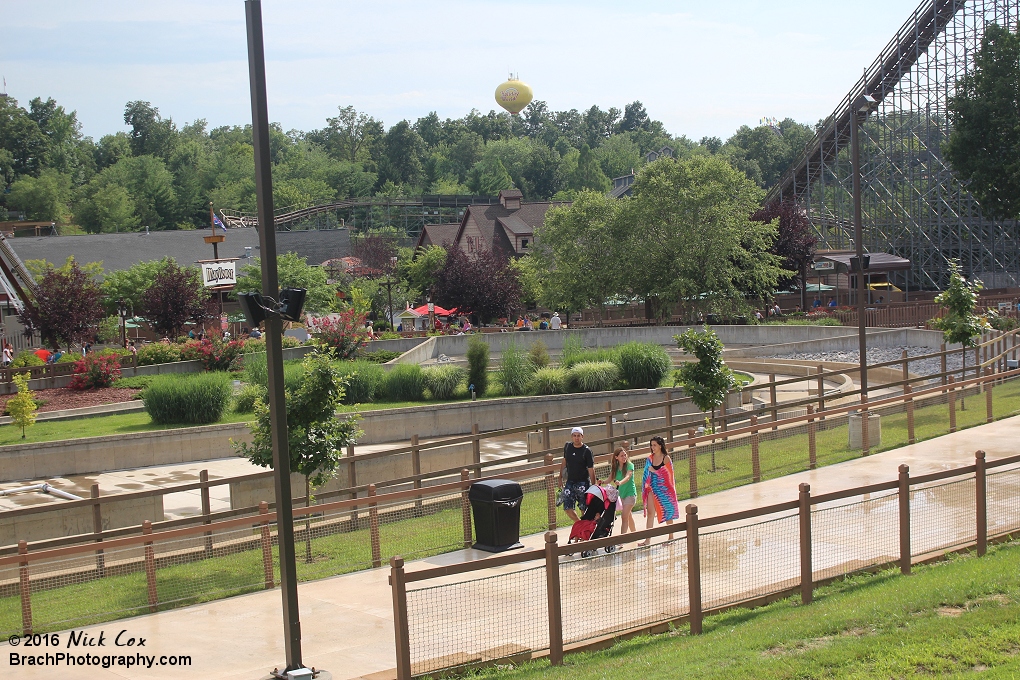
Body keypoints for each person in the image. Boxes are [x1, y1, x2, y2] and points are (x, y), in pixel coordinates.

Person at [638, 436, 679, 546]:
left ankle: (671, 538)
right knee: (651, 512)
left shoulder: (666, 458)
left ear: (660, 445)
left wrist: (655, 471)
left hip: (665, 491)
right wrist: (647, 484)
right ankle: (647, 540)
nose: (652, 447)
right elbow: (646, 474)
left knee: (667, 512)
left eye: (654, 445)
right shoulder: (650, 459)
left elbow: (669, 476)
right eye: (651, 445)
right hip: (652, 489)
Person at [559, 426, 596, 523]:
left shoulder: (587, 451)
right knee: (567, 507)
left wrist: (594, 486)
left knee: (584, 509)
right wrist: (560, 477)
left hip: (583, 483)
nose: (576, 438)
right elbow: (564, 462)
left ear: (582, 436)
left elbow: (591, 469)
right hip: (570, 481)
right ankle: (579, 523)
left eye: (578, 436)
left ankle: (586, 530)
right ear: (571, 437)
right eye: (574, 436)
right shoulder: (568, 447)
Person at [610, 446, 637, 536]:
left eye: (625, 455)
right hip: (621, 495)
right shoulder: (616, 467)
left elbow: (628, 476)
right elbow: (610, 477)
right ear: (616, 457)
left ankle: (622, 539)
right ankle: (634, 534)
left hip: (630, 494)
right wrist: (602, 482)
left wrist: (620, 482)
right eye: (622, 455)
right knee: (628, 516)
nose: (624, 457)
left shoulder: (630, 465)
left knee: (624, 516)